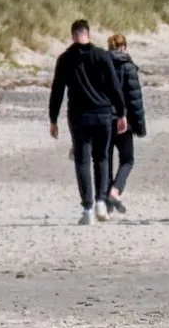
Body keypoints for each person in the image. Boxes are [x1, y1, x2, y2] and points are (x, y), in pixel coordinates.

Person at [49, 20, 128, 225]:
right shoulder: (101, 55)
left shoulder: (65, 59)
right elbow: (114, 86)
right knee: (102, 159)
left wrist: (53, 119)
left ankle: (88, 209)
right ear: (88, 34)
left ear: (72, 35)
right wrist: (121, 113)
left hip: (78, 116)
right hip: (102, 114)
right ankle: (101, 201)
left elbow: (57, 90)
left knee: (82, 161)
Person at [105, 34, 145, 214]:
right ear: (124, 47)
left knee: (105, 159)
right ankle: (115, 190)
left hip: (103, 118)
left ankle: (104, 202)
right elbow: (135, 99)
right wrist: (139, 126)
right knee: (127, 159)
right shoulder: (128, 67)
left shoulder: (102, 65)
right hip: (123, 120)